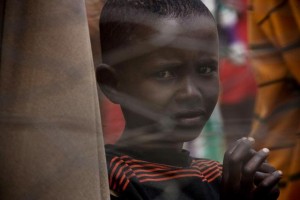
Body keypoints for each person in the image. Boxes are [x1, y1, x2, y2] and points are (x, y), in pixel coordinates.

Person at [96, 0, 282, 199]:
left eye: (205, 69)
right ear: (113, 85)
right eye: (165, 74)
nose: (191, 93)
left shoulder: (216, 176)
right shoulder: (108, 180)